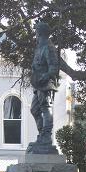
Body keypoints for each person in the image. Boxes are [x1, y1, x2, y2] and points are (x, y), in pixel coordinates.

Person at [26, 22, 59, 153]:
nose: (35, 34)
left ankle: (46, 137)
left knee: (46, 109)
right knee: (34, 110)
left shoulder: (49, 47)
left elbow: (53, 67)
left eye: (37, 31)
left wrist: (45, 76)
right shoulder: (39, 47)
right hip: (38, 85)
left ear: (40, 32)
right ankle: (42, 135)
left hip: (46, 83)